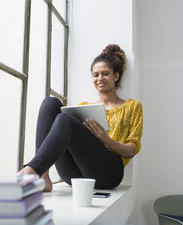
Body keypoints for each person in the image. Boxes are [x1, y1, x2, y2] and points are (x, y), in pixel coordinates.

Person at [18, 44, 143, 192]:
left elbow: (131, 150)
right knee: (50, 103)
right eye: (95, 75)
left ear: (116, 76)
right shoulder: (83, 107)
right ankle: (42, 174)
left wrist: (104, 138)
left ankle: (31, 170)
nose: (99, 78)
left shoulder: (132, 106)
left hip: (108, 174)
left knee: (65, 120)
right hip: (75, 175)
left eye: (105, 74)